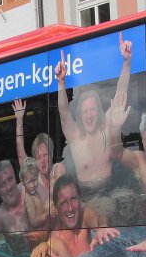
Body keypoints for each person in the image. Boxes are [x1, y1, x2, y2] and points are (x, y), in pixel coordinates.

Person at [54, 33, 132, 193]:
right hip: (86, 197)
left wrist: (126, 62)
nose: (89, 115)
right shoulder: (75, 136)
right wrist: (61, 82)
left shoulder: (106, 127)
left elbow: (121, 92)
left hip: (111, 190)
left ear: (99, 112)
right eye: (85, 112)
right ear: (80, 116)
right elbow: (63, 112)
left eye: (92, 110)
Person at [29, 174, 118, 257]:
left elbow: (101, 217)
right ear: (56, 209)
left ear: (80, 200)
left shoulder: (84, 215)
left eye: (73, 199)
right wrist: (41, 252)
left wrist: (103, 228)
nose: (70, 208)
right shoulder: (56, 242)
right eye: (63, 203)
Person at [11, 99, 55, 202]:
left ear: (51, 154)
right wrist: (19, 119)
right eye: (38, 157)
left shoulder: (59, 173)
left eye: (45, 155)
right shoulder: (34, 177)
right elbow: (21, 153)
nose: (43, 160)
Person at [20, 157, 50, 229]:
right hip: (36, 232)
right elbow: (33, 222)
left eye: (34, 180)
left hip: (43, 227)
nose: (32, 185)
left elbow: (39, 210)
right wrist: (47, 214)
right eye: (29, 182)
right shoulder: (29, 199)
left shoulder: (35, 193)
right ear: (23, 182)